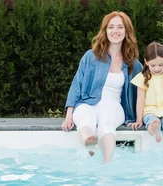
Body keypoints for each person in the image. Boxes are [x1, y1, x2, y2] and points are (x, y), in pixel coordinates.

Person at [61, 11, 143, 163]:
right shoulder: (90, 56)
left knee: (107, 122)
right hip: (88, 102)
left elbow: (147, 88)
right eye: (111, 27)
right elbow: (76, 84)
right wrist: (69, 115)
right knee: (85, 116)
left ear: (126, 31)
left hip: (114, 106)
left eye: (120, 27)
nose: (115, 31)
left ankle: (107, 162)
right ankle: (88, 140)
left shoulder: (133, 64)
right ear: (105, 31)